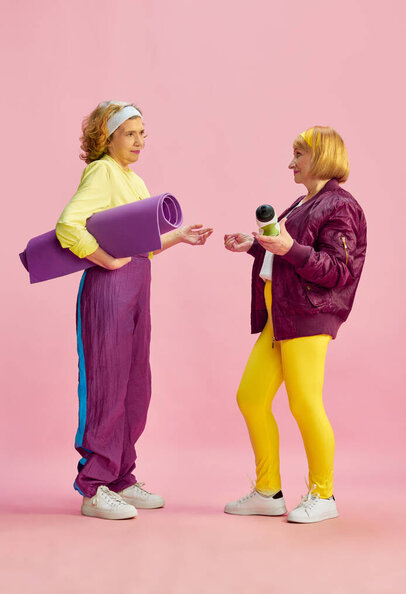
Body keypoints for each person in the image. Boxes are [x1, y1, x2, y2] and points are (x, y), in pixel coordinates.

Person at [56, 101, 213, 520]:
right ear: (108, 137)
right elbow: (69, 224)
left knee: (134, 385)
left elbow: (141, 246)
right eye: (130, 133)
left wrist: (180, 236)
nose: (140, 141)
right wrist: (104, 260)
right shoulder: (102, 171)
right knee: (107, 382)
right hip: (108, 290)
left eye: (143, 133)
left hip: (137, 288)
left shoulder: (136, 181)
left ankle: (121, 478)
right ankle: (94, 487)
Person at [223, 126, 367, 523]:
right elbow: (286, 252)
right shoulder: (306, 202)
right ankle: (268, 492)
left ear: (320, 156)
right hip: (281, 316)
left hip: (307, 315)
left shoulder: (339, 206)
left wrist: (288, 247)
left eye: (298, 155)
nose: (291, 162)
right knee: (251, 398)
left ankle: (323, 495)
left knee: (304, 403)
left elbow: (337, 270)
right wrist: (254, 245)